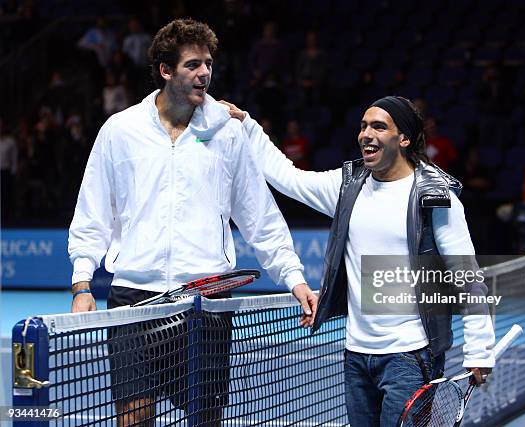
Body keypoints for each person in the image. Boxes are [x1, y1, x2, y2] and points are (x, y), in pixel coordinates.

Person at [68, 18, 317, 426]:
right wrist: (82, 283)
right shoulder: (120, 131)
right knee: (134, 416)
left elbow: (259, 216)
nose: (204, 73)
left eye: (208, 63)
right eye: (192, 64)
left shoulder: (228, 134)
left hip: (205, 302)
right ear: (166, 71)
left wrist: (295, 278)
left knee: (205, 419)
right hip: (136, 298)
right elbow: (92, 212)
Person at [221, 96, 495, 426]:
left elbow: (465, 275)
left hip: (411, 355)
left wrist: (479, 348)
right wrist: (247, 125)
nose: (366, 133)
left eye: (379, 126)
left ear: (403, 138)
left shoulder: (434, 195)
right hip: (356, 355)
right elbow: (287, 178)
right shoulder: (348, 185)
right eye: (363, 125)